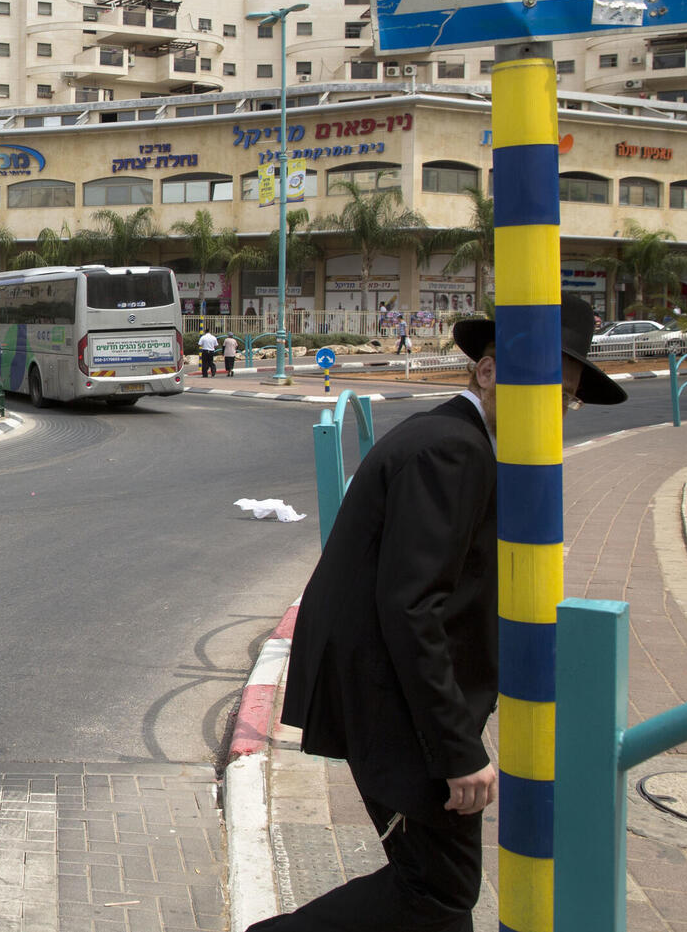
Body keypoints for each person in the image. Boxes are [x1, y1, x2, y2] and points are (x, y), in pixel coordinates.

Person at [247, 294, 624, 931]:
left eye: (563, 399)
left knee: (438, 891)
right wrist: (456, 748)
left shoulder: (461, 440)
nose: (552, 412)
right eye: (540, 389)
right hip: (394, 698)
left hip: (397, 692)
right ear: (487, 371)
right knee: (438, 891)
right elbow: (413, 605)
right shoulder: (454, 450)